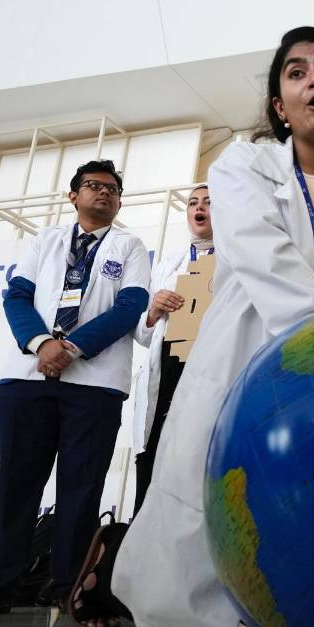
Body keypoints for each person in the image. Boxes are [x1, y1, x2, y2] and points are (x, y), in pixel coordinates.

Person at [102, 26, 314, 627]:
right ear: (280, 106)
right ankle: (179, 604)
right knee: (211, 479)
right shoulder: (242, 165)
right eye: (297, 72)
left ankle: (300, 607)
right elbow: (264, 258)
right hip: (250, 346)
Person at [0, 159, 150, 615]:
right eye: (94, 186)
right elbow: (17, 296)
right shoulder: (45, 240)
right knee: (17, 486)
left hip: (94, 385)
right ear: (73, 195)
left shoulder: (129, 246)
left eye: (113, 189)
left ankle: (69, 588)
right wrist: (42, 344)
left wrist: (72, 348)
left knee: (82, 489)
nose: (105, 193)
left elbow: (130, 306)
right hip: (29, 377)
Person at [131, 184, 214, 515]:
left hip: (208, 365)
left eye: (208, 202)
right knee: (154, 454)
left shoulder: (237, 261)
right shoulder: (169, 263)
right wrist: (154, 310)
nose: (199, 208)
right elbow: (143, 334)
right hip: (167, 366)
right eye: (193, 203)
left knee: (198, 455)